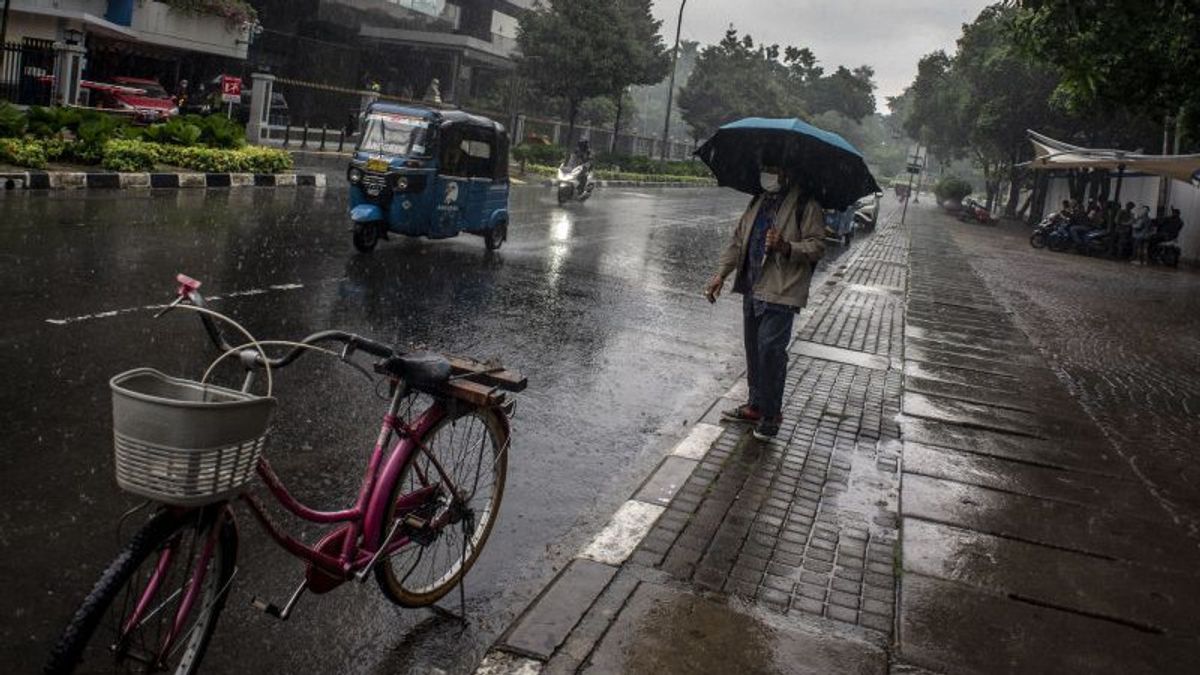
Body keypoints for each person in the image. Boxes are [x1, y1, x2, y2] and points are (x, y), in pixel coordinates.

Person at [705, 159, 826, 440]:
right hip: (752, 286)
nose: (768, 173)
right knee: (754, 350)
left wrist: (786, 246)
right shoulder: (758, 201)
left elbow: (818, 246)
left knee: (771, 351)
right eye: (766, 167)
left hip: (782, 290)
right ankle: (756, 405)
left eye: (773, 168)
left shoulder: (806, 205)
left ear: (787, 172)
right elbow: (738, 242)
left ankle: (771, 414)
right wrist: (721, 274)